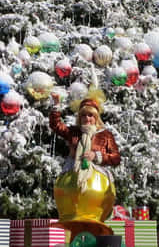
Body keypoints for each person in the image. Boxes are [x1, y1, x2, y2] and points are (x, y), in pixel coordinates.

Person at [50, 91, 121, 232]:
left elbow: (116, 158)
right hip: (72, 179)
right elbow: (56, 125)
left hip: (97, 182)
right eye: (83, 115)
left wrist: (97, 156)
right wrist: (56, 105)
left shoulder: (105, 135)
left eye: (90, 115)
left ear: (96, 117)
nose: (87, 118)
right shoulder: (74, 133)